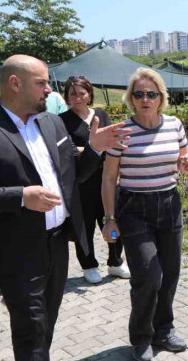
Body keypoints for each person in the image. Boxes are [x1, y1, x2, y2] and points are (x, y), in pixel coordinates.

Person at [0, 55, 130, 361]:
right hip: (15, 250)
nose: (49, 90)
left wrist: (96, 148)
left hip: (57, 244)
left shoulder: (51, 121)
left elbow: (73, 174)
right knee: (30, 328)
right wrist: (20, 196)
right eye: (41, 83)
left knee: (46, 322)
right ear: (15, 84)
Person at [101, 68, 188, 361]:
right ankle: (141, 337)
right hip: (134, 210)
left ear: (161, 98)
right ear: (131, 98)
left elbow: (184, 159)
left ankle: (163, 331)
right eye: (139, 94)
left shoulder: (174, 125)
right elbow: (108, 179)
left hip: (169, 204)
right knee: (147, 275)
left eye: (151, 94)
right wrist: (109, 219)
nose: (145, 99)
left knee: (169, 274)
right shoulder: (121, 132)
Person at [59, 76, 130, 284]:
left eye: (82, 93)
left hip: (106, 179)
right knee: (85, 226)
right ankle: (88, 265)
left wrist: (117, 169)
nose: (78, 97)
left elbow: (113, 143)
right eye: (73, 94)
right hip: (81, 183)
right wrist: (95, 146)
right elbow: (66, 151)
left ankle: (116, 261)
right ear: (67, 97)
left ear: (89, 94)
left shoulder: (100, 114)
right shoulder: (62, 120)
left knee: (112, 219)